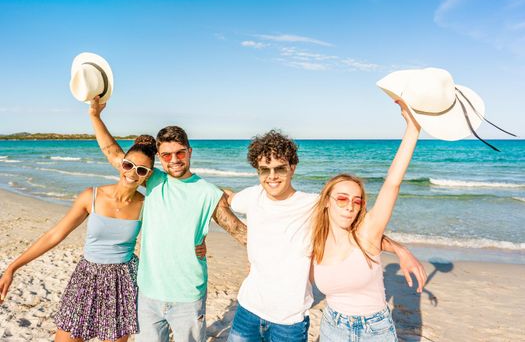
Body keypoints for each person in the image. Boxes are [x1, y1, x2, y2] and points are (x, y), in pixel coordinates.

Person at [224, 122, 426, 341]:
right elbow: (226, 197)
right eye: (265, 169)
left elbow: (362, 228)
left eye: (280, 168)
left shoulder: (314, 205)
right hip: (248, 308)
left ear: (292, 167)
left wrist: (399, 249)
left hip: (289, 320)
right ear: (258, 170)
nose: (272, 176)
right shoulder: (251, 196)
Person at [0, 136, 204, 341]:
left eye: (141, 170)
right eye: (128, 165)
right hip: (87, 276)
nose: (133, 173)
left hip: (124, 280)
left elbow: (179, 220)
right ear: (121, 164)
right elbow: (55, 234)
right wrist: (13, 267)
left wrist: (199, 241)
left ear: (148, 175)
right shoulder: (92, 196)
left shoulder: (147, 204)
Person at [88, 97, 246, 342]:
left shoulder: (210, 194)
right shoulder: (151, 179)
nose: (174, 160)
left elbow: (241, 234)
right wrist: (95, 117)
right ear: (159, 157)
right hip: (148, 293)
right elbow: (113, 153)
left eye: (180, 153)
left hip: (188, 297)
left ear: (189, 151)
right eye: (167, 155)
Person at [311, 101, 420, 341]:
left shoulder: (367, 233)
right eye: (342, 198)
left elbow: (392, 182)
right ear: (327, 201)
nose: (350, 205)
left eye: (357, 200)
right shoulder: (315, 239)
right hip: (332, 326)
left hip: (375, 330)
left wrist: (412, 128)